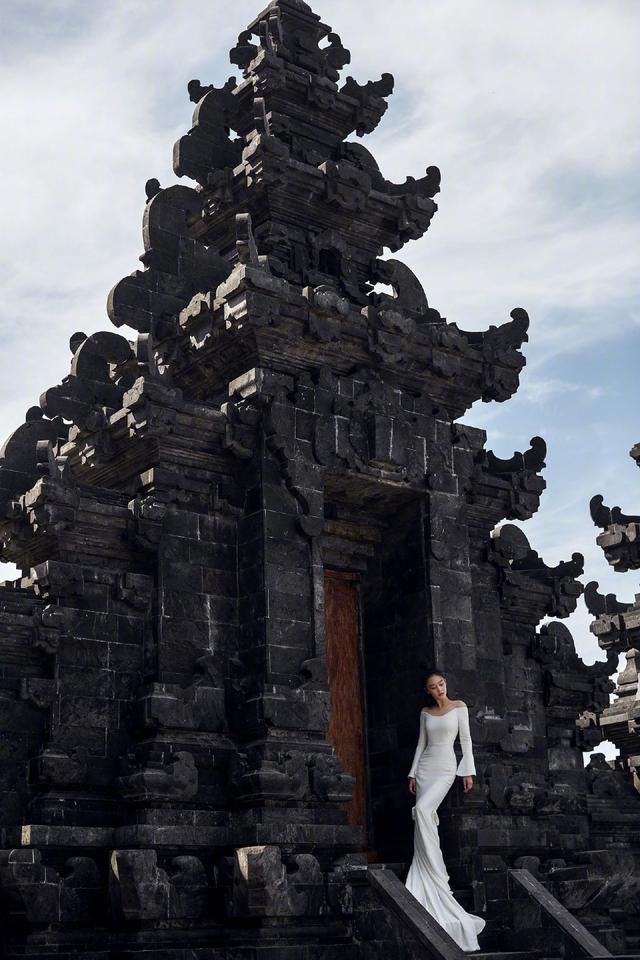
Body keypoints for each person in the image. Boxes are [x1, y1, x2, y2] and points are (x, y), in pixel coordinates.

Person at [405, 669, 485, 952]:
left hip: (446, 767)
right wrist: (413, 774)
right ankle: (426, 866)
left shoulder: (459, 707)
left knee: (425, 812)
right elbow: (421, 744)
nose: (439, 689)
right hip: (426, 767)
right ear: (427, 690)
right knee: (422, 814)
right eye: (433, 687)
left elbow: (465, 741)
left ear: (445, 685)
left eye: (441, 684)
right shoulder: (425, 713)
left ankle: (437, 873)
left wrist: (468, 772)